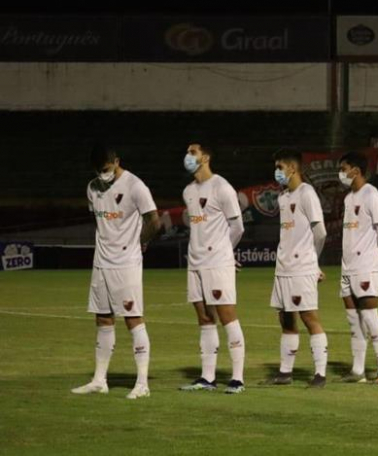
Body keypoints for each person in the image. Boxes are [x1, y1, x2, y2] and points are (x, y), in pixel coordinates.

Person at [72, 144, 161, 399]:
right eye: (98, 171)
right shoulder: (92, 188)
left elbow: (154, 220)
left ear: (116, 161)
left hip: (126, 263)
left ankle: (142, 383)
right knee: (103, 319)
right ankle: (100, 380)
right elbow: (98, 222)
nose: (103, 175)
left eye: (106, 169)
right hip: (101, 262)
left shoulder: (135, 186)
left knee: (133, 319)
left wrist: (141, 242)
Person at [178, 143, 248, 394]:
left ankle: (238, 378)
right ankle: (207, 377)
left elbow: (237, 226)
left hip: (217, 262)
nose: (188, 156)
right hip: (195, 263)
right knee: (205, 318)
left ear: (205, 157)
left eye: (193, 152)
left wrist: (224, 253)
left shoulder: (222, 187)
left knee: (227, 316)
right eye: (187, 152)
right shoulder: (188, 191)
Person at [264, 149, 329, 388]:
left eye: (279, 167)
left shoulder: (307, 193)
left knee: (309, 317)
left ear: (292, 168)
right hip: (283, 268)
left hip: (302, 267)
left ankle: (320, 374)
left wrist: (314, 262)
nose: (277, 172)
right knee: (286, 319)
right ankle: (284, 373)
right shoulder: (283, 197)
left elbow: (320, 231)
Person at [339, 151, 378, 384]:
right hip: (347, 266)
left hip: (366, 265)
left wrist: (377, 253)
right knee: (353, 319)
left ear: (356, 171)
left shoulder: (372, 195)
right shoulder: (349, 198)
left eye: (343, 168)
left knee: (370, 317)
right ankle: (358, 371)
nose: (341, 173)